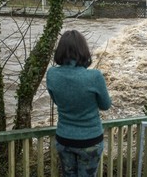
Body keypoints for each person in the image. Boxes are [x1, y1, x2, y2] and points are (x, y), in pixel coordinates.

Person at [46, 30, 112, 177]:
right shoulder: (94, 76)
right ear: (83, 50)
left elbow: (56, 100)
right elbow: (105, 105)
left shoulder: (52, 74)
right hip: (90, 140)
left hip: (64, 138)